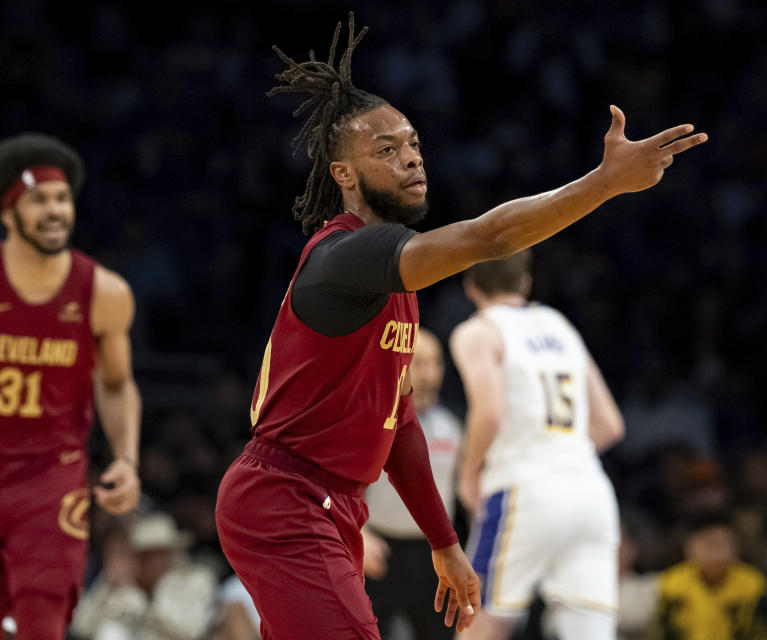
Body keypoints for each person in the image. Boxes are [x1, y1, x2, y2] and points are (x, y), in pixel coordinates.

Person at [213, 13, 706, 640]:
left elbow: (400, 423)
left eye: (413, 143)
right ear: (344, 175)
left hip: (332, 503)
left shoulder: (398, 280)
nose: (411, 158)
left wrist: (444, 543)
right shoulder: (348, 255)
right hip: (287, 497)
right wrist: (604, 185)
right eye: (385, 150)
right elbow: (490, 236)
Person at [0, 133, 141, 640]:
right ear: (7, 213)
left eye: (61, 198)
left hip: (50, 477)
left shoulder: (103, 291)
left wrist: (125, 459)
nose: (56, 210)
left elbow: (117, 383)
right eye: (38, 200)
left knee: (44, 622)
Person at [448, 251, 626, 640]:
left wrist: (468, 474)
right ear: (525, 283)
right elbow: (610, 425)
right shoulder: (558, 324)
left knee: (476, 625)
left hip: (524, 490)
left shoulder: (477, 331)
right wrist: (560, 458)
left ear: (470, 286)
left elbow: (489, 411)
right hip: (591, 493)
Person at [363, 328, 462, 640]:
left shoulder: (457, 425)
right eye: (419, 363)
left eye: (436, 363)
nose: (429, 374)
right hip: (378, 549)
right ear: (401, 365)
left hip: (434, 554)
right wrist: (357, 532)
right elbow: (334, 488)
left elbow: (471, 495)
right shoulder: (372, 420)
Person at [70, 511, 217, 640]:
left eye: (159, 554)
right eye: (146, 556)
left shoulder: (196, 581)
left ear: (171, 553)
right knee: (111, 632)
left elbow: (191, 632)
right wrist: (108, 585)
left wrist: (146, 607)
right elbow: (82, 628)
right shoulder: (125, 586)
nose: (153, 563)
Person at [656, 514, 767, 640]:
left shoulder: (753, 583)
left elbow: (760, 632)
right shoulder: (672, 582)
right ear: (689, 548)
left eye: (721, 544)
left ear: (736, 548)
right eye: (708, 544)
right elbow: (663, 632)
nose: (715, 552)